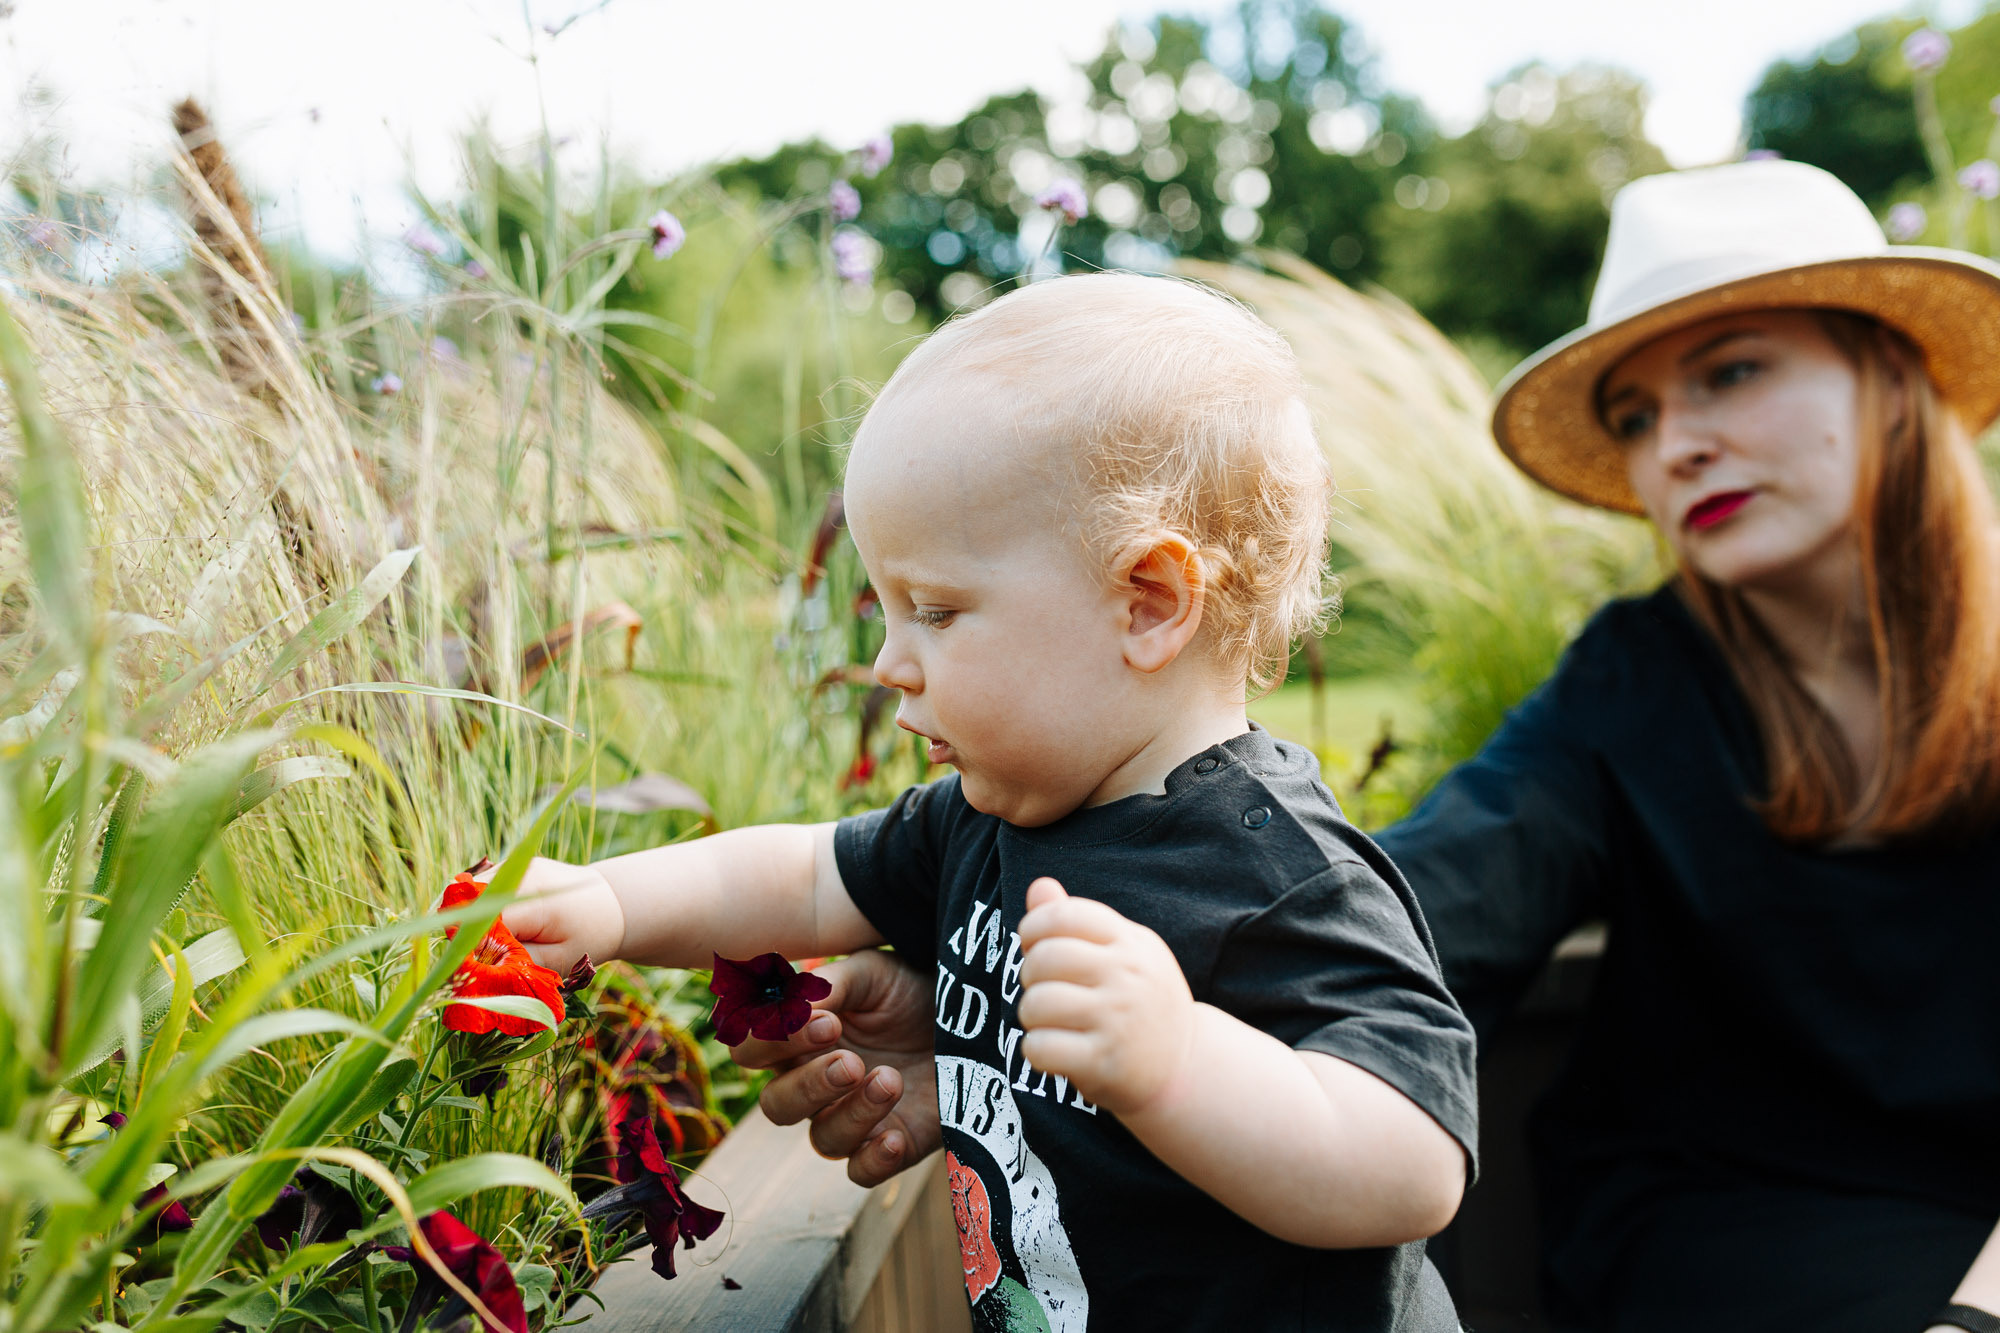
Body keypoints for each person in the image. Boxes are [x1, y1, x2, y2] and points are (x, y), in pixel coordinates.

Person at [735, 160, 2000, 1333]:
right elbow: (1411, 903)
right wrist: (1012, 1031)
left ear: (1885, 375)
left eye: (1730, 372)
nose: (1674, 440)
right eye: (1634, 412)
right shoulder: (1631, 678)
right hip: (1696, 1261)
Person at [499, 274, 1479, 1331]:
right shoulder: (983, 821)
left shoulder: (1278, 873)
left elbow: (1413, 1161)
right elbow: (794, 872)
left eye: (935, 609)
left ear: (1147, 603)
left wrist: (1176, 1061)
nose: (888, 664)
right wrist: (608, 906)